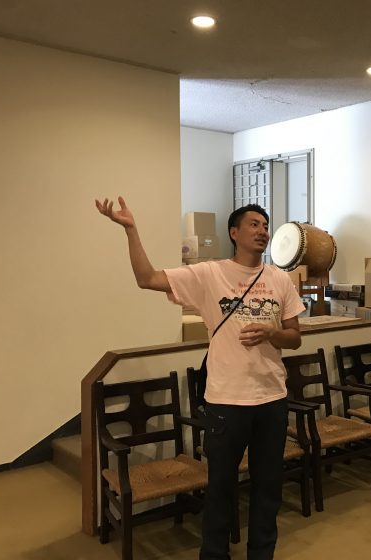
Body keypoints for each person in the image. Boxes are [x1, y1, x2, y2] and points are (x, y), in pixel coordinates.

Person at [96, 196, 305, 560]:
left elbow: (295, 337)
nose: (262, 231)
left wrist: (272, 333)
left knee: (268, 487)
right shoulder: (210, 274)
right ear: (234, 233)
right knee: (220, 487)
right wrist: (131, 229)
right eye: (253, 224)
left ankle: (261, 554)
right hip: (226, 402)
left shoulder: (280, 279)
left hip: (272, 398)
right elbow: (147, 278)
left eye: (265, 225)